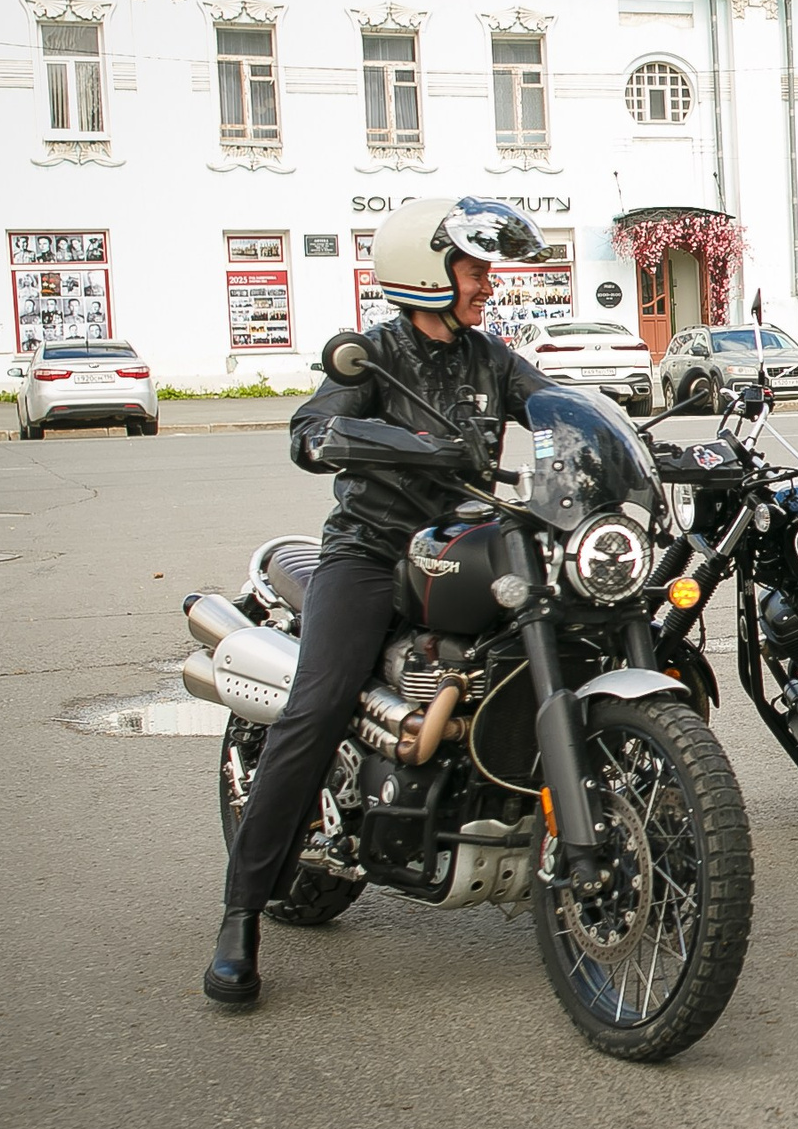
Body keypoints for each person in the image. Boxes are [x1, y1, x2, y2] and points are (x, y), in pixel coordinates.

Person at [204, 198, 551, 1004]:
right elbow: (312, 429)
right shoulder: (375, 354)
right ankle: (241, 911)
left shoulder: (491, 357)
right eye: (472, 270)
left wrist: (625, 434)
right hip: (372, 549)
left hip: (465, 543)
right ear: (428, 274)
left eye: (484, 271)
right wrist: (392, 442)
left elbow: (555, 404)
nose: (485, 284)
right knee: (315, 708)